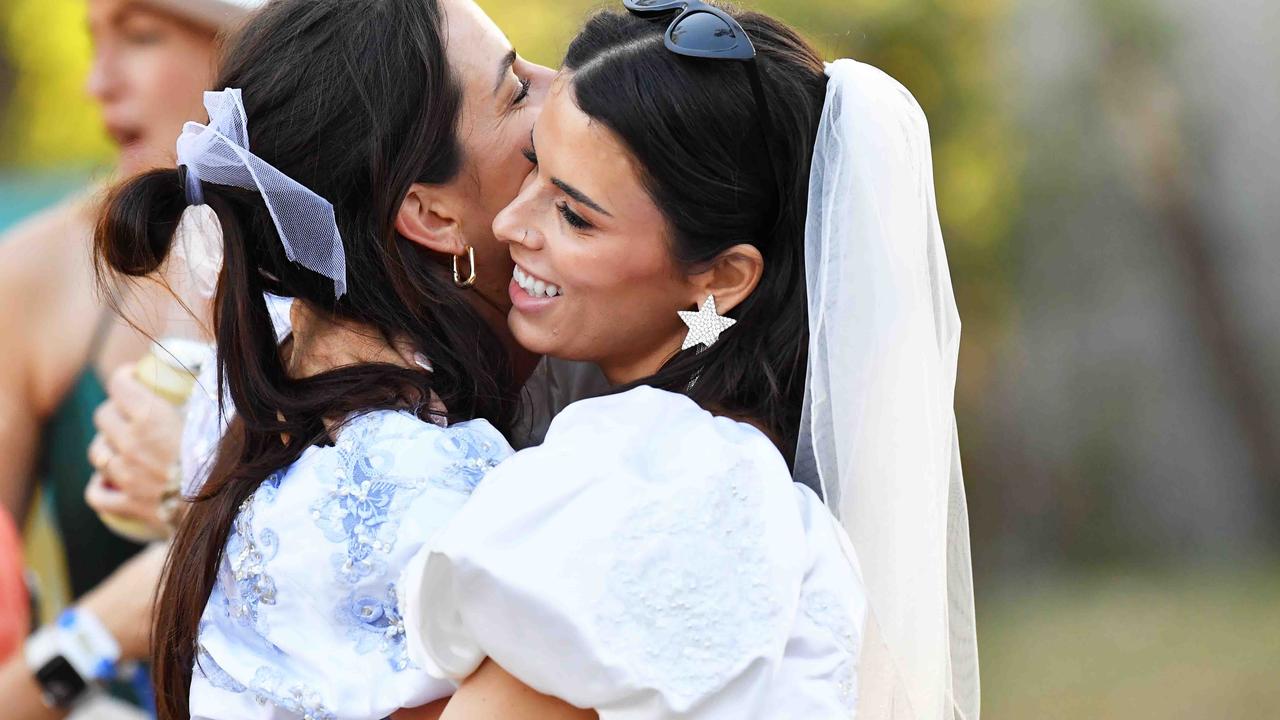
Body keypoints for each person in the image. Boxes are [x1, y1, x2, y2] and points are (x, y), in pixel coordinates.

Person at [399, 3, 978, 718]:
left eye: (574, 214)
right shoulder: (733, 468)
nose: (513, 222)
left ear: (723, 277)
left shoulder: (654, 483)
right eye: (533, 169)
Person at [92, 1, 556, 718]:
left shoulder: (265, 362)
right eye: (517, 89)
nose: (562, 85)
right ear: (430, 213)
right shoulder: (421, 480)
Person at [0, 1, 263, 715]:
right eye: (94, 41)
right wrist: (94, 637)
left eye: (142, 36)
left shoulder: (359, 272)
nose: (97, 82)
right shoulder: (35, 273)